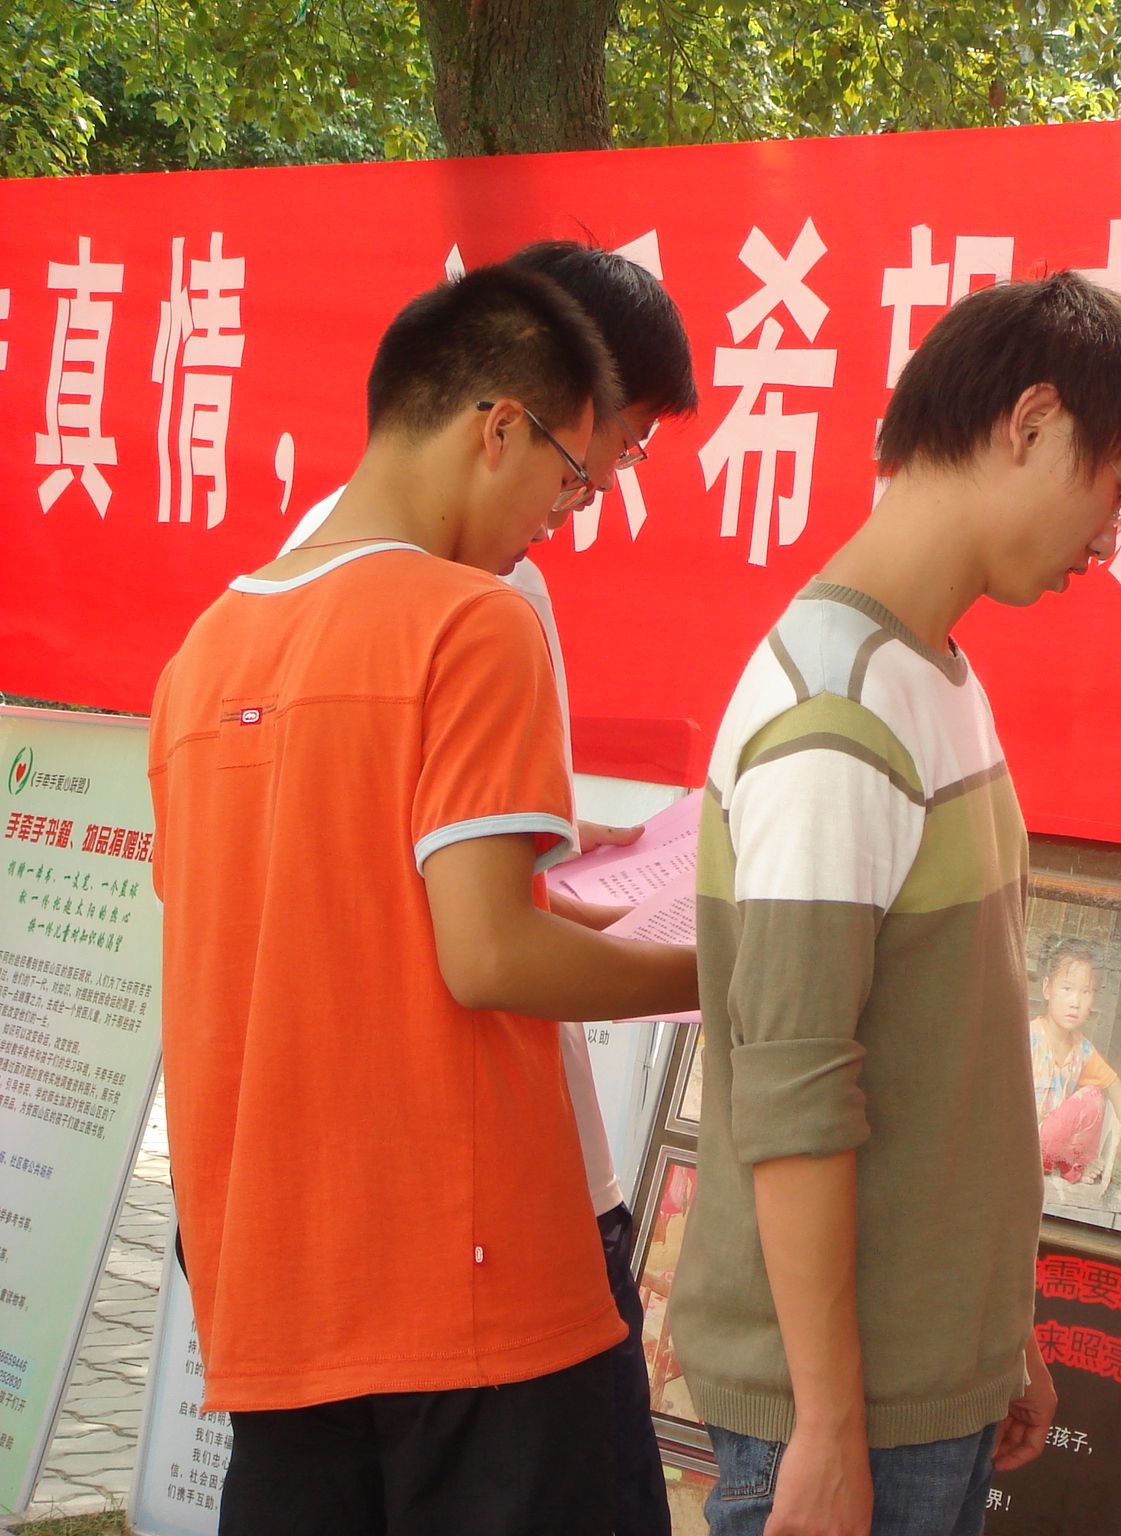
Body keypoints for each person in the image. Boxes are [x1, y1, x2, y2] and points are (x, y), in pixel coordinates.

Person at [149, 263, 700, 1536]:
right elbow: (488, 955)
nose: (562, 515)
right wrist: (724, 965)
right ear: (498, 427)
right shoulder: (474, 619)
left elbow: (317, 923)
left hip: (277, 1280)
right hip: (474, 1278)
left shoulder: (203, 650)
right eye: (570, 476)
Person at [673, 271, 1121, 1536]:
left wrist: (1003, 1329)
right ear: (1030, 422)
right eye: (1117, 490)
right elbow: (795, 1094)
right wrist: (827, 1427)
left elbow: (952, 1049)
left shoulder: (931, 674)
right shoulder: (837, 715)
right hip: (853, 1403)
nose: (1110, 539)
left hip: (927, 1372)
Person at [1028, 939, 1121, 1183]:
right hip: (1022, 1143)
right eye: (1067, 989)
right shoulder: (1029, 1037)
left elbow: (1113, 1083)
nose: (1075, 1002)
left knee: (1093, 1096)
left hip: (1051, 1145)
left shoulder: (1082, 1050)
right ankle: (1070, 1164)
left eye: (1085, 992)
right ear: (1047, 989)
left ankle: (1072, 1165)